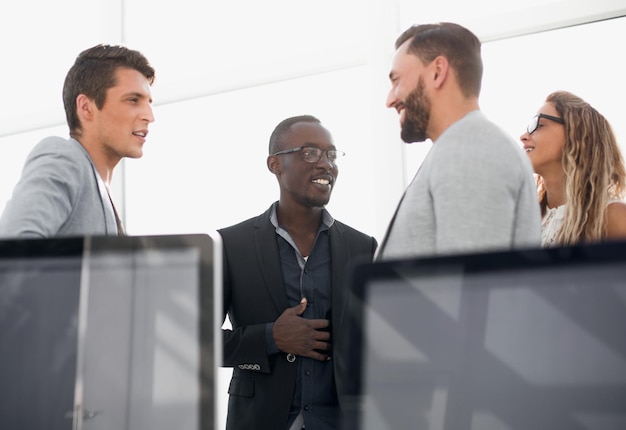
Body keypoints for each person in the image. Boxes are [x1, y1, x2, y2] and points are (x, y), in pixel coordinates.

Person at [218, 115, 377, 430]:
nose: (325, 164)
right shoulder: (230, 244)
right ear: (275, 164)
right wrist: (270, 338)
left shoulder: (362, 247)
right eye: (310, 153)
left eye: (331, 155)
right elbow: (192, 343)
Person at [377, 22, 541, 260]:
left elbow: (470, 288)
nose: (390, 99)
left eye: (397, 81)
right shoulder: (465, 145)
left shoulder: (469, 151)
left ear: (437, 72)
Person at [0, 44, 155, 238]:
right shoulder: (64, 158)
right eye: (133, 100)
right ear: (86, 107)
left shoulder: (103, 194)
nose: (149, 116)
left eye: (149, 103)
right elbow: (14, 244)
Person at [520, 90, 626, 246]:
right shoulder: (526, 221)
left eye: (538, 124)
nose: (524, 136)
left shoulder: (613, 216)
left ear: (575, 133)